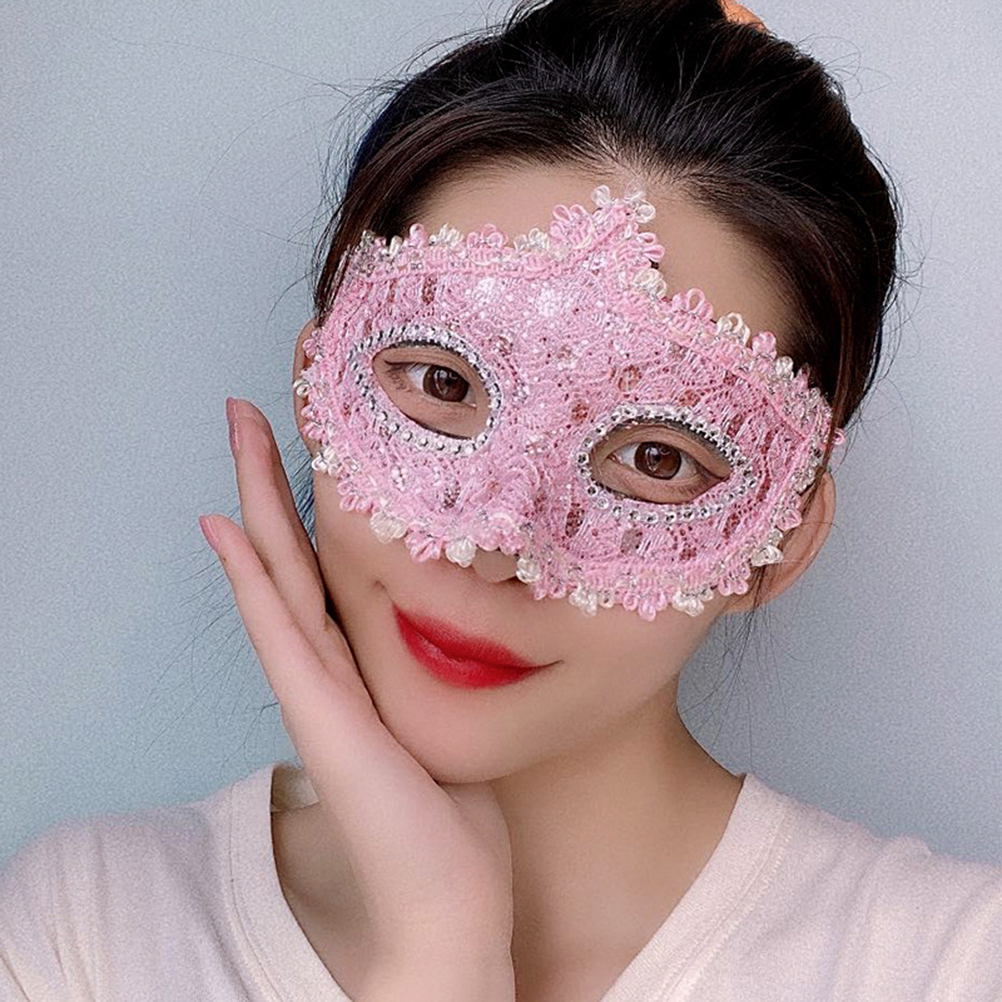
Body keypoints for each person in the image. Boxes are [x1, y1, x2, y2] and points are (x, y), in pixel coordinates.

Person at [2, 1, 999, 1000]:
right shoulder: (89, 935)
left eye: (655, 457)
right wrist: (435, 944)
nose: (496, 540)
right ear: (317, 381)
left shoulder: (950, 967)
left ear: (781, 541)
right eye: (442, 384)